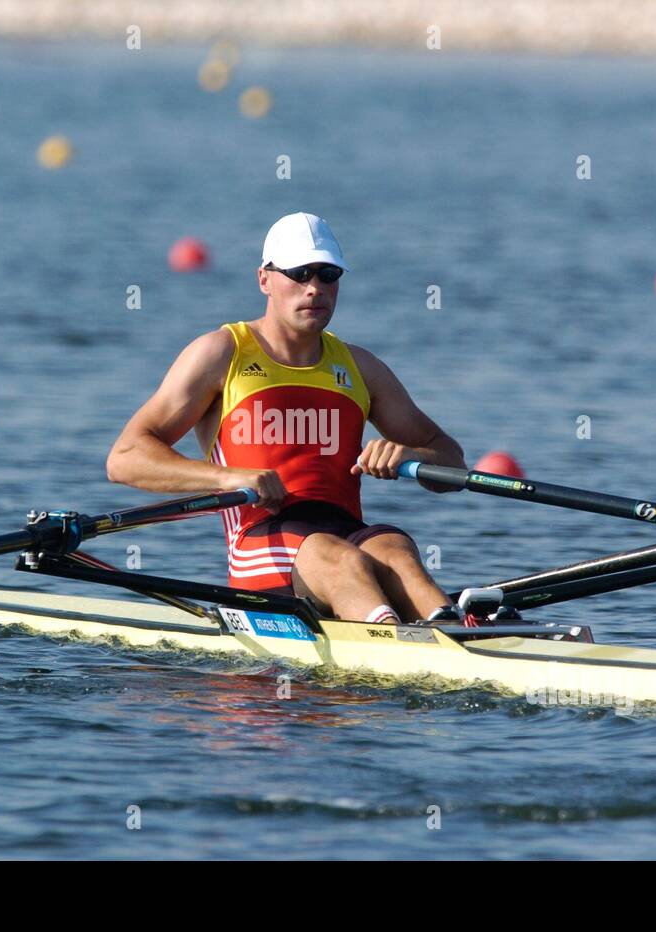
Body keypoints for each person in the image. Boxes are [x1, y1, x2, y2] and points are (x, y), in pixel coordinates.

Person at [107, 212, 466, 624]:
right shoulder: (221, 354)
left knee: (395, 549)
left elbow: (451, 460)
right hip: (259, 542)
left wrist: (409, 454)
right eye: (298, 273)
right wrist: (227, 477)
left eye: (328, 274)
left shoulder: (361, 368)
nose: (314, 288)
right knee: (341, 559)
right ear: (264, 279)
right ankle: (392, 644)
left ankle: (457, 630)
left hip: (342, 533)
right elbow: (125, 458)